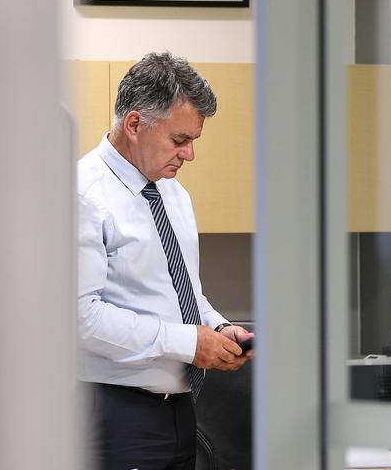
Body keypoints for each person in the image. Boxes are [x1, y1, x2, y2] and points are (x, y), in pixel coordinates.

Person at [77, 51, 253, 470]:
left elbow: (184, 292)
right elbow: (82, 317)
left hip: (181, 408)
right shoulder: (83, 195)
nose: (189, 155)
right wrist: (189, 343)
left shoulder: (174, 193)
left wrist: (219, 328)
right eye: (180, 140)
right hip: (116, 412)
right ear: (135, 124)